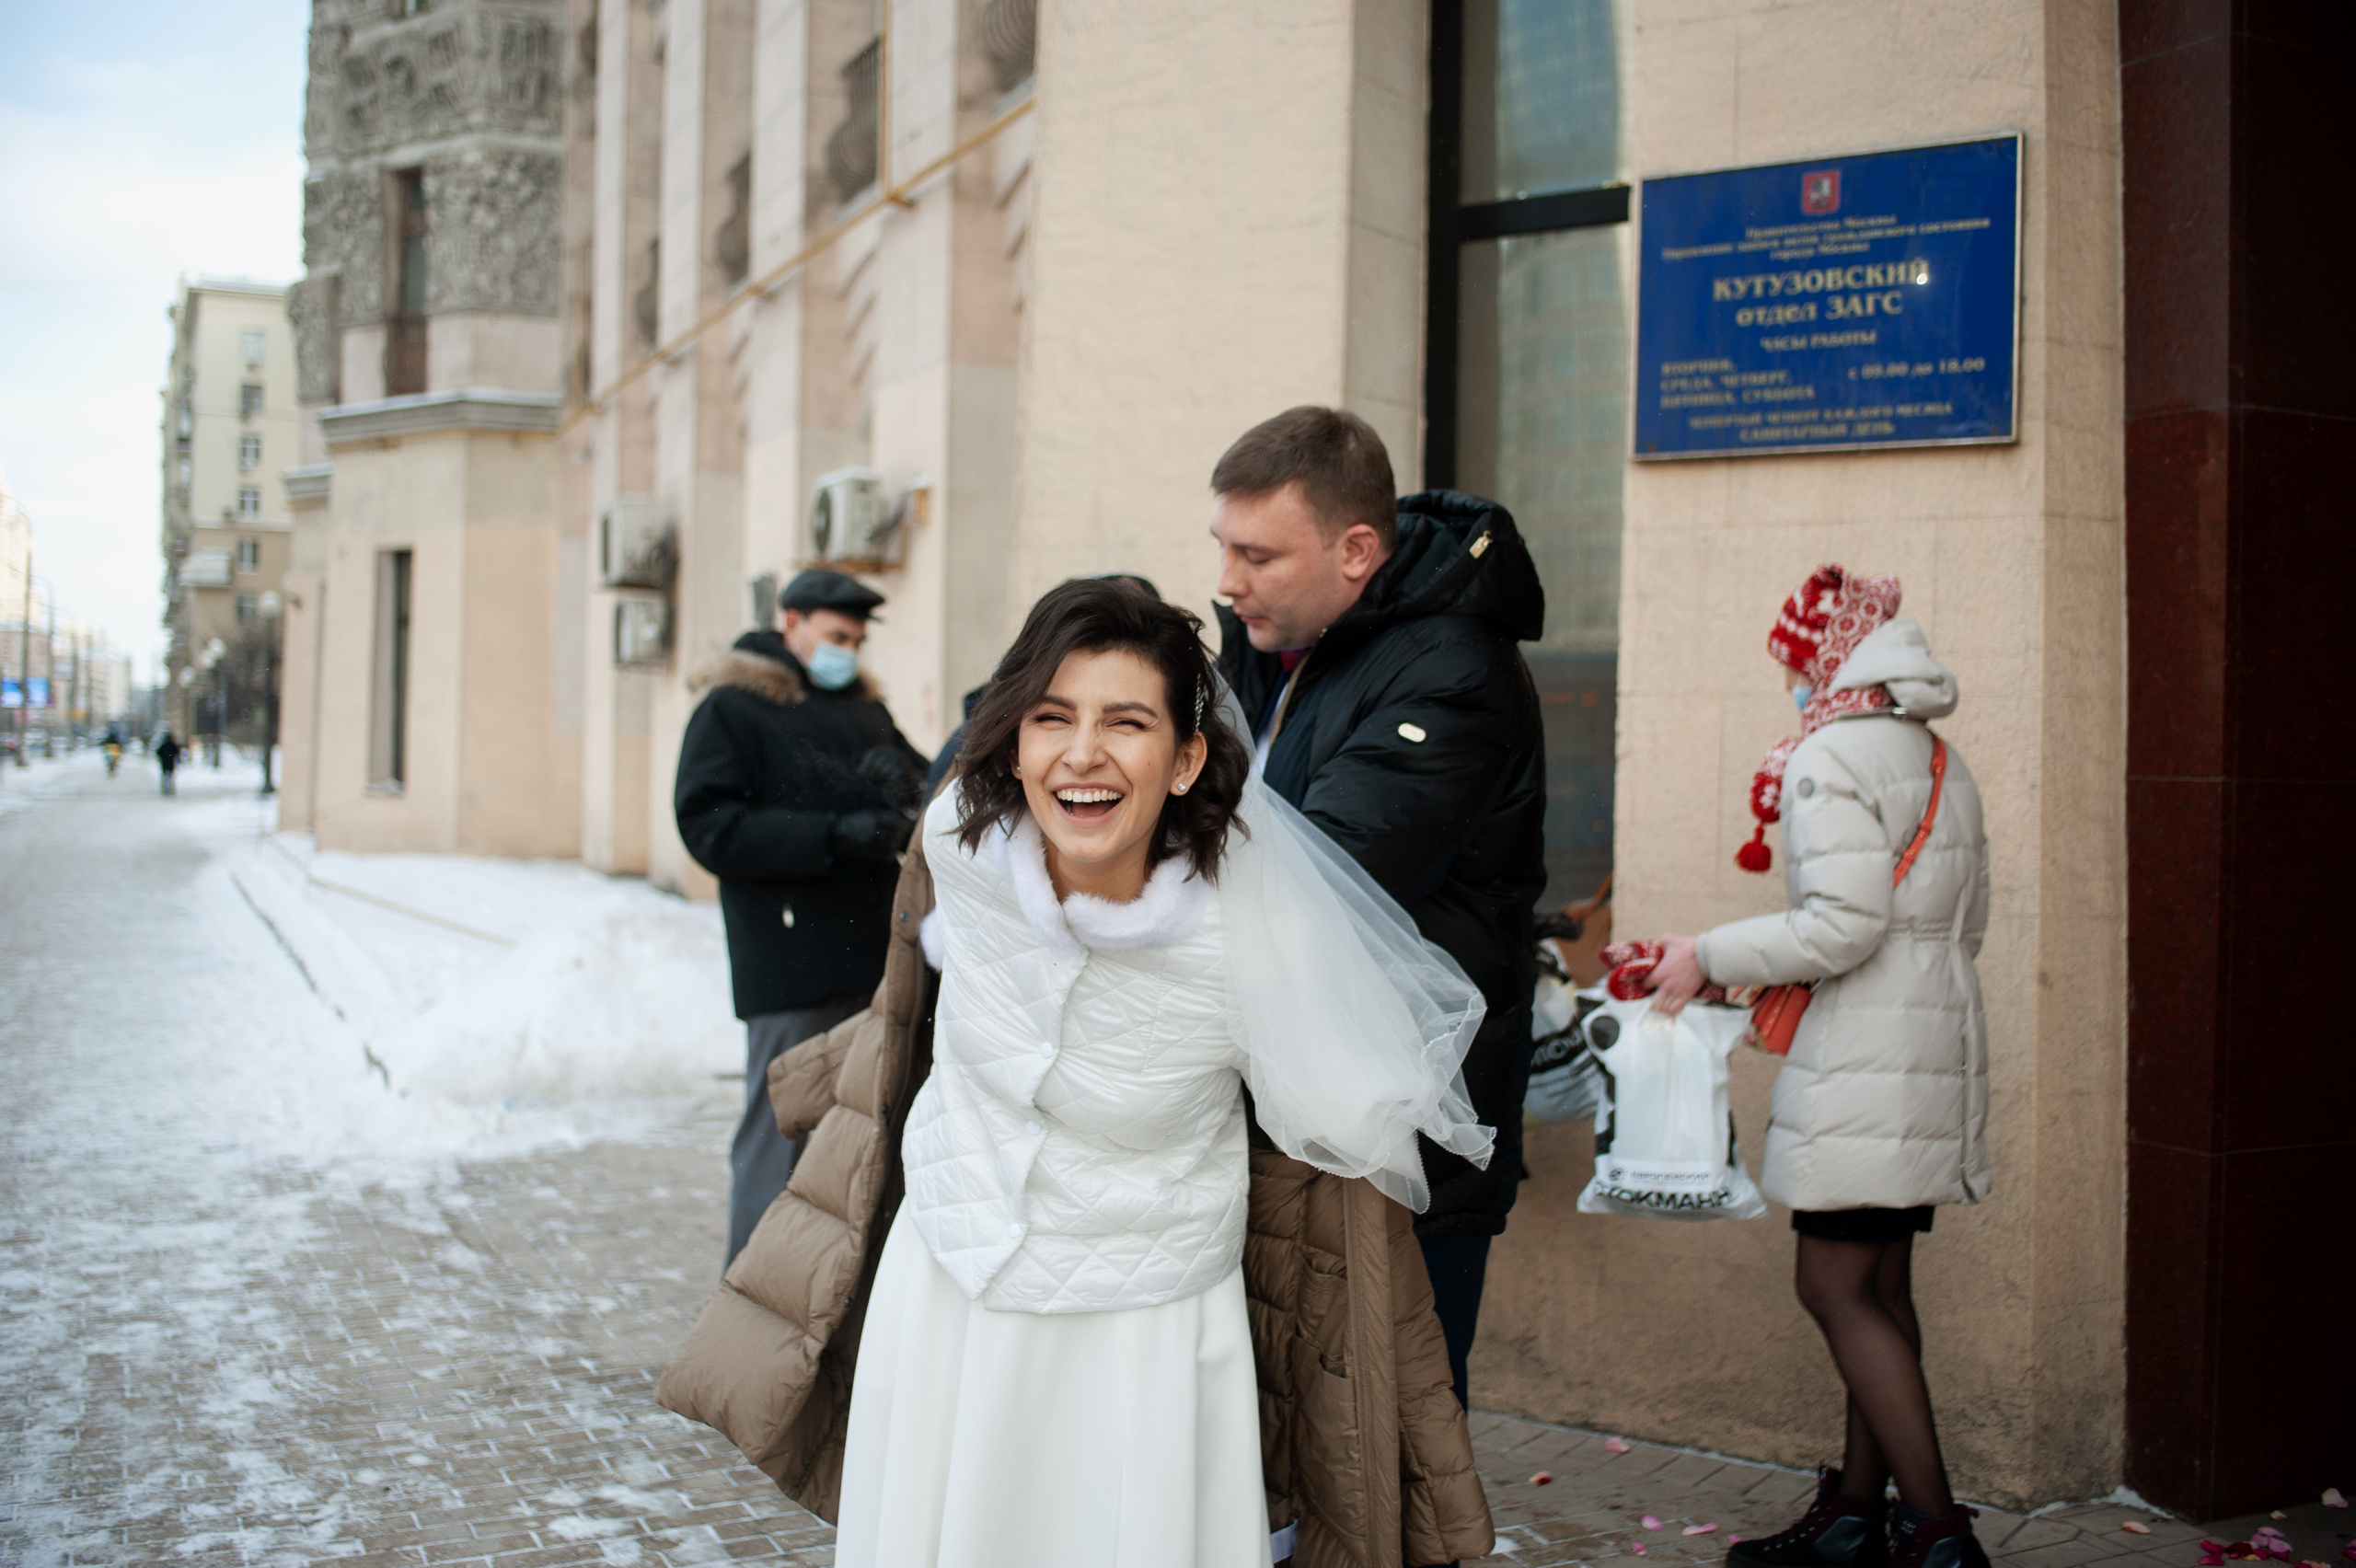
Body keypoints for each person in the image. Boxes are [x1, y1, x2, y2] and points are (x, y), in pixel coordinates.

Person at [719, 579, 1495, 1566]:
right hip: (948, 1283)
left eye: (1126, 722)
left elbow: (1345, 1149)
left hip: (1138, 1333)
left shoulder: (1253, 935)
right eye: (1051, 718)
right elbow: (909, 1003)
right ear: (1013, 744)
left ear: (1186, 759)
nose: (1082, 754)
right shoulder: (960, 845)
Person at [1640, 565, 1992, 1568]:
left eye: (1794, 666)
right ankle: (1853, 1518)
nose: (1791, 686)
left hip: (1868, 1059)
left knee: (1832, 1289)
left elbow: (1843, 926)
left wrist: (1707, 956)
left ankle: (1937, 1535)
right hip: (1929, 1050)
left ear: (1827, 661)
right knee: (1879, 1289)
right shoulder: (1935, 755)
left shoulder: (1830, 756)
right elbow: (1957, 923)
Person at [1210, 405, 1546, 1409]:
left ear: (1357, 551)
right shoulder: (1288, 643)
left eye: (1257, 555)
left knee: (1392, 1444)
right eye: (1223, 547)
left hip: (1402, 1147)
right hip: (1300, 1118)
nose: (1227, 580)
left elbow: (1314, 884)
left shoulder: (1452, 670)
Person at [674, 568, 928, 1267]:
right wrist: (831, 837)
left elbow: (928, 792)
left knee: (865, 1140)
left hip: (874, 959)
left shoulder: (864, 709)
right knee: (777, 1140)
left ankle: (843, 1302)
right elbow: (709, 826)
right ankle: (748, 1298)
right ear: (792, 624)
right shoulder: (734, 709)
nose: (848, 651)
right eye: (836, 635)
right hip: (790, 963)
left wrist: (906, 786)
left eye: (856, 640)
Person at [155, 730, 181, 796]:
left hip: (164, 763)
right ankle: (172, 789)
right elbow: (177, 753)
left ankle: (164, 789)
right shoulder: (172, 745)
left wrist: (162, 758)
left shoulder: (163, 746)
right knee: (171, 776)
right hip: (171, 763)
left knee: (164, 776)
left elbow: (158, 753)